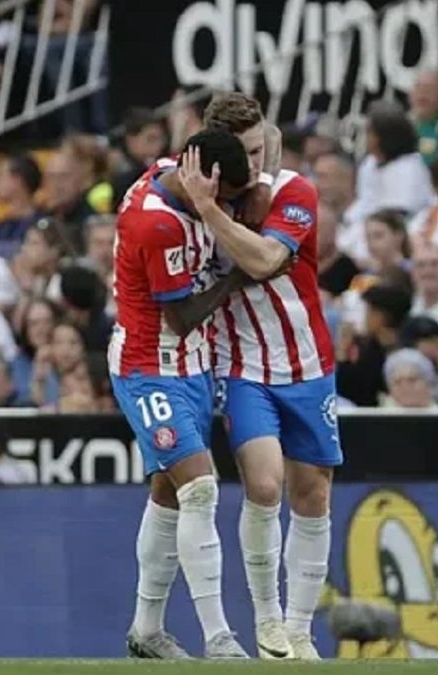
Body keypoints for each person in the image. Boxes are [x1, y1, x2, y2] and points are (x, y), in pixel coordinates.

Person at [194, 92, 339, 661]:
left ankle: (301, 630)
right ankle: (268, 619)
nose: (254, 164)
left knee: (313, 493)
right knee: (263, 485)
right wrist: (209, 205)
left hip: (307, 363)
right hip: (242, 365)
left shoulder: (294, 192)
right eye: (244, 154)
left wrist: (214, 214)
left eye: (260, 150)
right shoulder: (197, 195)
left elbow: (263, 260)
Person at [111, 128, 251, 660]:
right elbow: (182, 316)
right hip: (149, 366)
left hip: (194, 368)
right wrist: (235, 279)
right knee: (200, 489)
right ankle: (219, 637)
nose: (226, 209)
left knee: (169, 493)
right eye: (223, 197)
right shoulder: (158, 223)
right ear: (202, 178)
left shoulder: (178, 173)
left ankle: (146, 630)